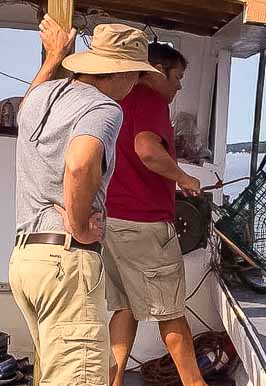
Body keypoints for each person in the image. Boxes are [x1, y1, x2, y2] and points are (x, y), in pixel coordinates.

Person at [8, 15, 161, 385]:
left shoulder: (43, 94)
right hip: (66, 262)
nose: (137, 83)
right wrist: (79, 228)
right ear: (122, 72)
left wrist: (52, 59)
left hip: (26, 261)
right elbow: (79, 164)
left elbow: (25, 112)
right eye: (138, 75)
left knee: (52, 375)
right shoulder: (105, 109)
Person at [103, 42, 206, 386]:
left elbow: (132, 163)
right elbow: (146, 150)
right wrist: (184, 177)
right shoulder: (150, 99)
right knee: (172, 313)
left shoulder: (120, 100)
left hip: (112, 222)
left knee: (126, 308)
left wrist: (171, 183)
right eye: (178, 77)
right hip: (143, 225)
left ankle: (113, 382)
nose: (179, 86)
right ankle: (195, 384)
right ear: (158, 70)